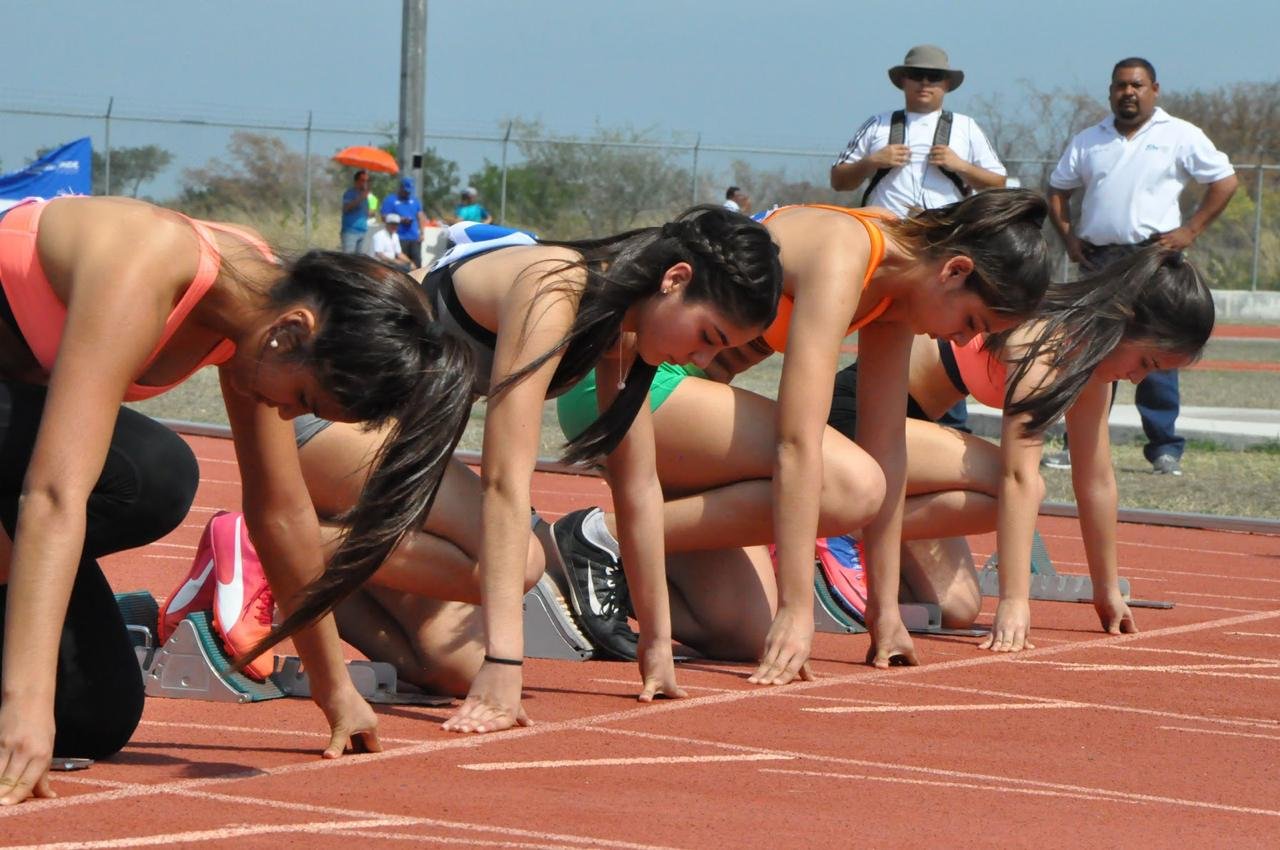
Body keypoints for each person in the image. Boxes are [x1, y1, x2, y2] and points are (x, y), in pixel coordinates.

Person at [0, 195, 473, 805]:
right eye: (303, 399)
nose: (288, 415)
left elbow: (281, 511)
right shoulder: (146, 261)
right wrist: (24, 706)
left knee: (95, 718)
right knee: (152, 475)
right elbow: (55, 491)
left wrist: (334, 689)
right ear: (292, 334)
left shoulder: (261, 308)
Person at [243, 206, 783, 732]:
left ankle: (286, 553)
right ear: (675, 279)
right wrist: (506, 666)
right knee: (523, 561)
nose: (704, 361)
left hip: (383, 438)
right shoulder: (555, 287)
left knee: (452, 666)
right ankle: (269, 547)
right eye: (709, 337)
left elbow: (640, 485)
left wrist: (656, 644)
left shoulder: (621, 330)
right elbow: (504, 478)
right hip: (323, 410)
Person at [555, 189, 1050, 677]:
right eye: (970, 322)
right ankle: (601, 537)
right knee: (851, 486)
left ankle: (564, 561)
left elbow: (887, 446)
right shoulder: (848, 251)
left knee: (743, 631)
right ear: (955, 270)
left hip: (692, 413)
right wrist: (796, 608)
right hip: (635, 379)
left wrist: (885, 610)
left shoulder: (899, 293)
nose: (963, 340)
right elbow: (796, 440)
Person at [825, 247, 1213, 653]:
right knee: (1008, 486)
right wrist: (1013, 602)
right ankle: (838, 526)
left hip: (913, 431)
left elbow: (1095, 479)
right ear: (1123, 320)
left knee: (957, 607)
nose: (1137, 379)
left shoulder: (1094, 367)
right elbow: (1018, 475)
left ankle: (846, 533)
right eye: (1146, 363)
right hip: (859, 419)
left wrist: (1107, 588)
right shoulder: (1043, 343)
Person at [1045, 57, 1237, 476]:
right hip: (1099, 261)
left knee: (1155, 352)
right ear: (1110, 91)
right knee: (1087, 352)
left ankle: (1164, 448)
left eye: (1136, 85)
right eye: (1119, 86)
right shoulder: (1088, 139)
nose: (1127, 93)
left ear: (1154, 89)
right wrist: (1069, 238)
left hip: (1153, 258)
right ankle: (1075, 442)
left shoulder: (1180, 135)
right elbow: (1057, 189)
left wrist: (1190, 230)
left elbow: (1225, 181)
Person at [831, 44, 1008, 436]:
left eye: (934, 77)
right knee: (880, 331)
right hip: (885, 247)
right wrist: (871, 162)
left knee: (950, 333)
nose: (925, 83)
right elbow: (839, 178)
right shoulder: (877, 125)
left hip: (947, 254)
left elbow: (998, 182)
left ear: (947, 85)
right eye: (917, 76)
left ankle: (948, 424)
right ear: (903, 81)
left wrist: (960, 167)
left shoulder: (965, 128)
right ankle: (869, 416)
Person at [381, 177, 431, 268]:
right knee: (400, 266)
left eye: (409, 191)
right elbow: (384, 217)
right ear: (400, 188)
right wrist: (400, 219)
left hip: (414, 238)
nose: (407, 193)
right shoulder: (390, 200)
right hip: (398, 237)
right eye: (405, 190)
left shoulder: (415, 200)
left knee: (417, 264)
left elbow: (421, 216)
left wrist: (422, 233)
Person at [339, 170, 371, 253]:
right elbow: (345, 208)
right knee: (349, 260)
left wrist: (369, 213)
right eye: (363, 180)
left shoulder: (366, 197)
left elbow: (365, 212)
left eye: (367, 181)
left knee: (359, 262)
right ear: (356, 181)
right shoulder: (350, 193)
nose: (365, 183)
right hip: (350, 231)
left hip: (363, 231)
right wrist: (361, 198)